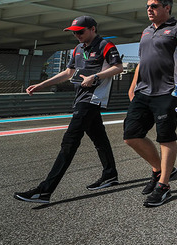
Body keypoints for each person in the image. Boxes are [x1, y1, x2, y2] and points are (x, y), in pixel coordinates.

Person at [14, 16, 123, 204]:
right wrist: (41, 84)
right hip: (80, 97)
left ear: (93, 29)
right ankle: (110, 174)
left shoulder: (105, 45)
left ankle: (44, 191)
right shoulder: (78, 49)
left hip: (92, 98)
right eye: (74, 32)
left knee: (69, 142)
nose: (76, 35)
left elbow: (118, 67)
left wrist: (95, 76)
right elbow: (68, 73)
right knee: (99, 138)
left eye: (80, 31)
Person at [124, 0, 177, 207]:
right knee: (131, 135)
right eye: (147, 6)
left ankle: (163, 186)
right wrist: (133, 85)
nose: (149, 9)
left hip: (169, 91)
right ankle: (160, 169)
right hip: (143, 91)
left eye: (154, 6)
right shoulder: (146, 31)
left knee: (165, 138)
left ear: (167, 8)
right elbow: (142, 61)